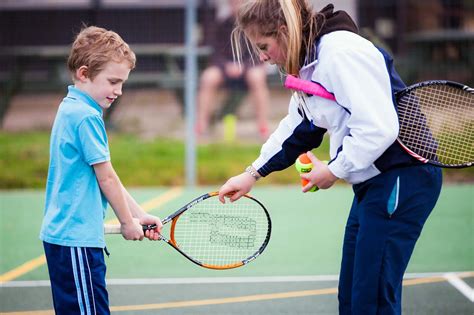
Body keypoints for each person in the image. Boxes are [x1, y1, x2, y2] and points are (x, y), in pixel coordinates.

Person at [218, 1, 442, 314]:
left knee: (372, 300)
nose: (262, 57)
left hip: (403, 177)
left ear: (284, 32)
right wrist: (251, 173)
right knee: (351, 298)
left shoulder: (340, 53)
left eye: (264, 46)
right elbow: (299, 126)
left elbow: (380, 128)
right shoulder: (312, 61)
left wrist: (334, 170)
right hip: (374, 183)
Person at [39, 26, 163, 315]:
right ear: (84, 74)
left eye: (122, 83)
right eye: (113, 81)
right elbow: (105, 177)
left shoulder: (70, 107)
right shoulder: (86, 117)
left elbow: (108, 176)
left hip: (69, 239)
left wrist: (137, 214)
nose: (118, 91)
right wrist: (127, 222)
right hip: (75, 241)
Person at [196, 0, 270, 139]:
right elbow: (215, 51)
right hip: (224, 67)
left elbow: (259, 50)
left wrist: (244, 66)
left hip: (251, 67)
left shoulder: (257, 25)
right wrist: (226, 65)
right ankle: (201, 125)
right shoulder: (222, 25)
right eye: (234, 3)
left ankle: (262, 125)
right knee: (208, 77)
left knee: (257, 77)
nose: (237, 6)